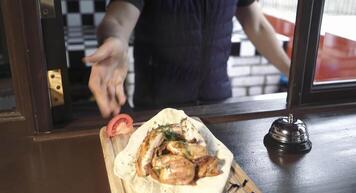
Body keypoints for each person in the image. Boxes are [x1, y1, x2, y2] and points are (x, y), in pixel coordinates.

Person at [83, 0, 290, 118]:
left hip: (217, 104)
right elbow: (118, 18)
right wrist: (115, 38)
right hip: (159, 108)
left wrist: (294, 73)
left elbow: (257, 25)